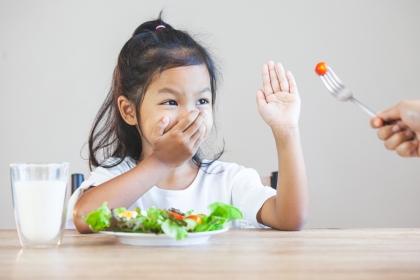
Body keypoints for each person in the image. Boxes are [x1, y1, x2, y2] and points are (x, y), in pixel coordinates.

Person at [67, 15, 309, 233]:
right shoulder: (115, 175)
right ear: (129, 111)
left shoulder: (229, 180)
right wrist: (162, 160)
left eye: (202, 100)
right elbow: (84, 216)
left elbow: (290, 219)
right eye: (171, 101)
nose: (190, 115)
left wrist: (286, 132)